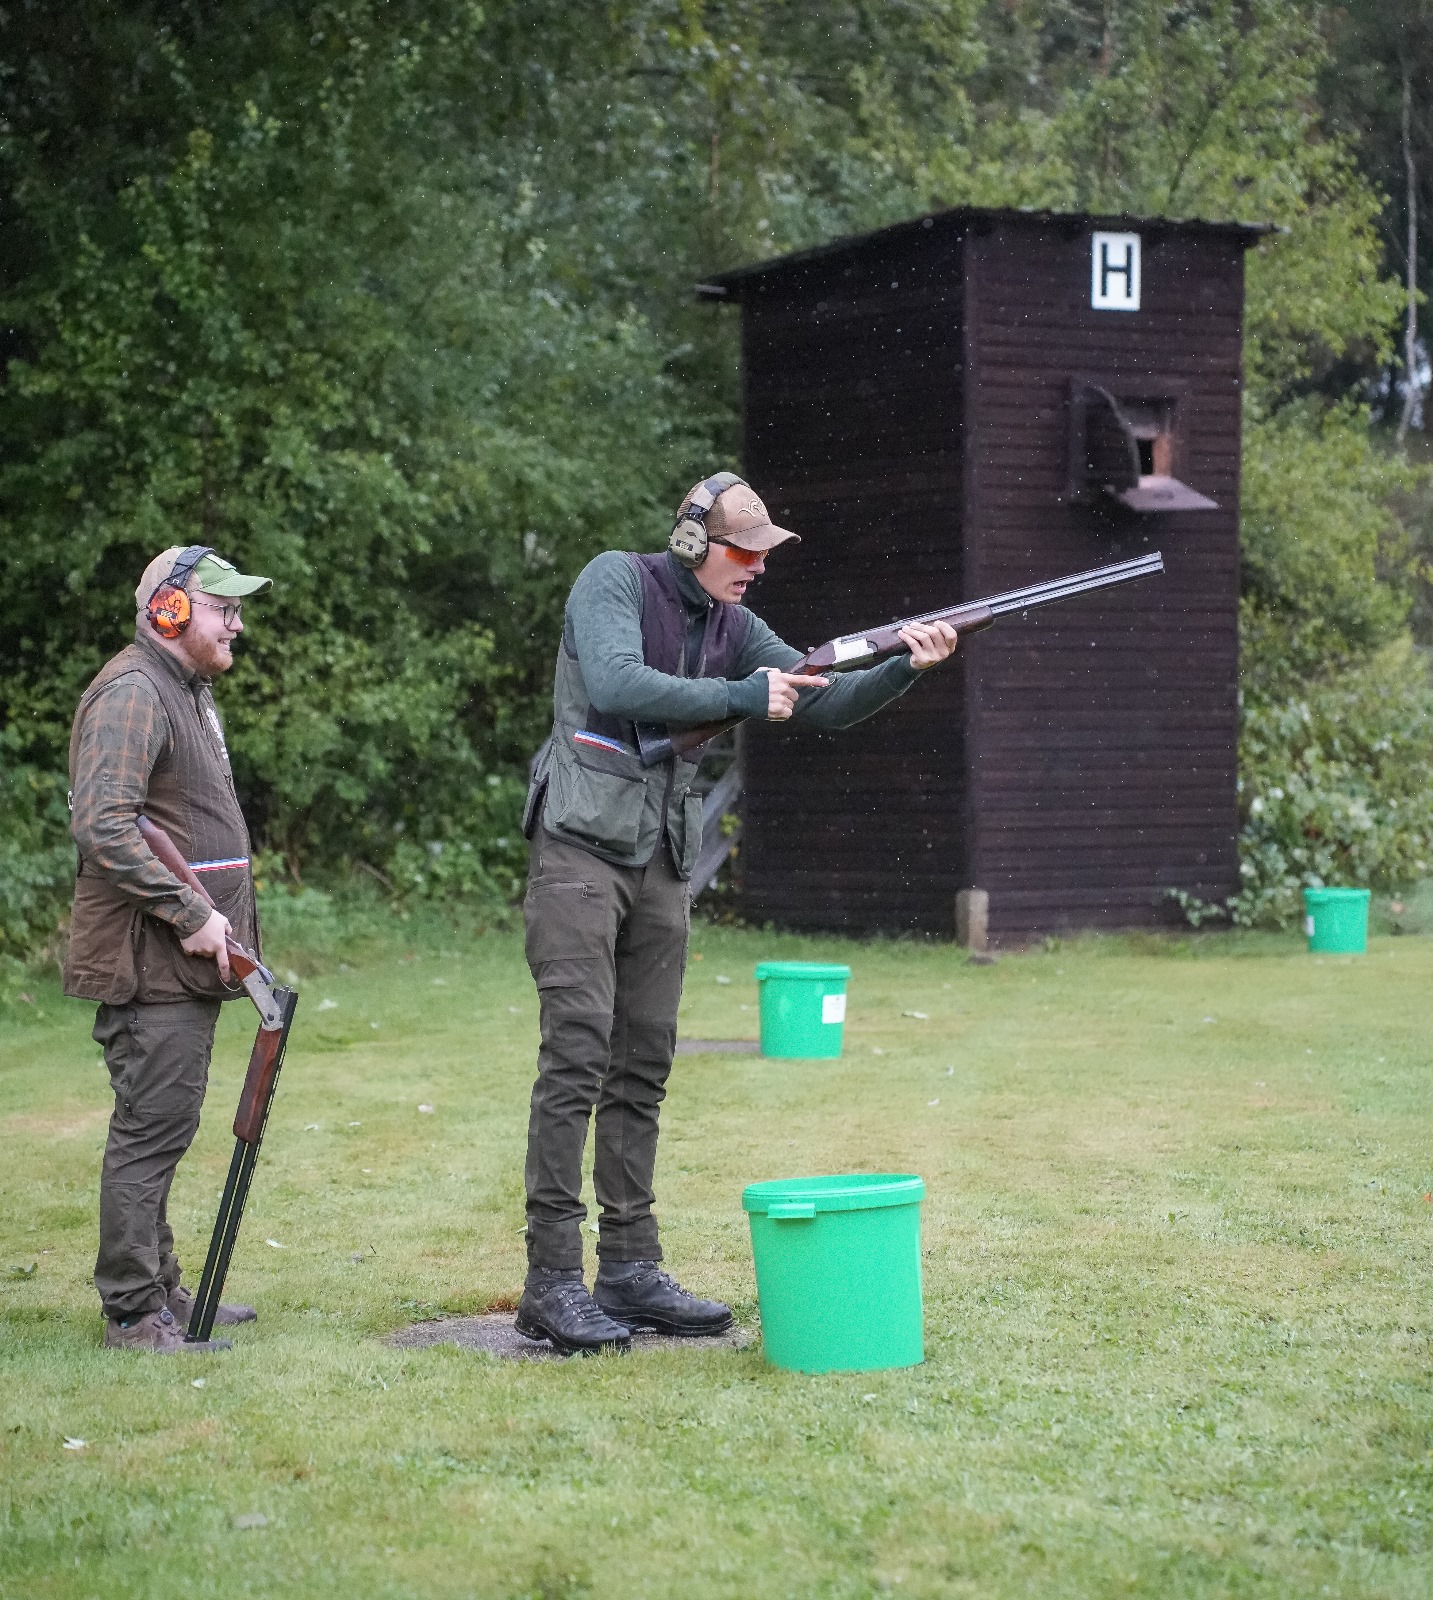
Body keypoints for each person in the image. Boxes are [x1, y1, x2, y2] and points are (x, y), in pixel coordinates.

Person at [515, 472, 958, 1353]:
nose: (756, 565)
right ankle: (552, 1279)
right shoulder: (614, 580)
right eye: (741, 550)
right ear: (689, 542)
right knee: (575, 1055)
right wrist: (740, 697)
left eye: (763, 552)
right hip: (579, 846)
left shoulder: (733, 625)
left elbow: (824, 699)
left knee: (642, 1065)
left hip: (660, 861)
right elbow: (618, 680)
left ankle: (630, 1268)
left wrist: (906, 663)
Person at [64, 545, 273, 1353]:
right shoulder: (131, 691)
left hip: (178, 963)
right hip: (149, 961)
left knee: (167, 1122)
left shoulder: (179, 688)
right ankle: (131, 1312)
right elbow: (104, 825)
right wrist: (191, 912)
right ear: (172, 610)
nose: (238, 625)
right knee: (151, 1129)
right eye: (225, 609)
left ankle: (164, 1292)